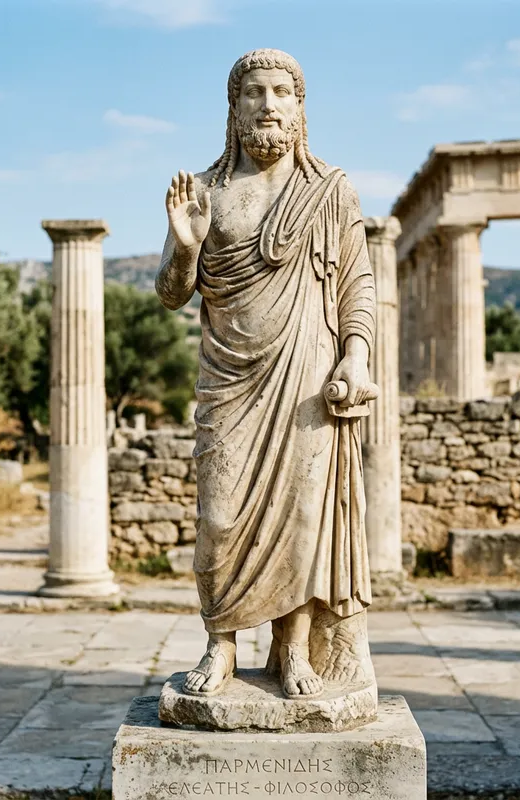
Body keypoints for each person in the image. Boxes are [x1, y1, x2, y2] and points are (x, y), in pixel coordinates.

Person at [155, 49, 376, 700]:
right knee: (219, 516)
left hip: (305, 374)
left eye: (283, 91)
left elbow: (356, 283)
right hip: (229, 379)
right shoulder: (202, 191)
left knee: (304, 514)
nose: (270, 103)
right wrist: (188, 247)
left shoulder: (329, 189)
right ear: (235, 106)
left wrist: (356, 355)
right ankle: (219, 645)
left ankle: (294, 648)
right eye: (255, 91)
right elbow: (171, 294)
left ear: (301, 108)